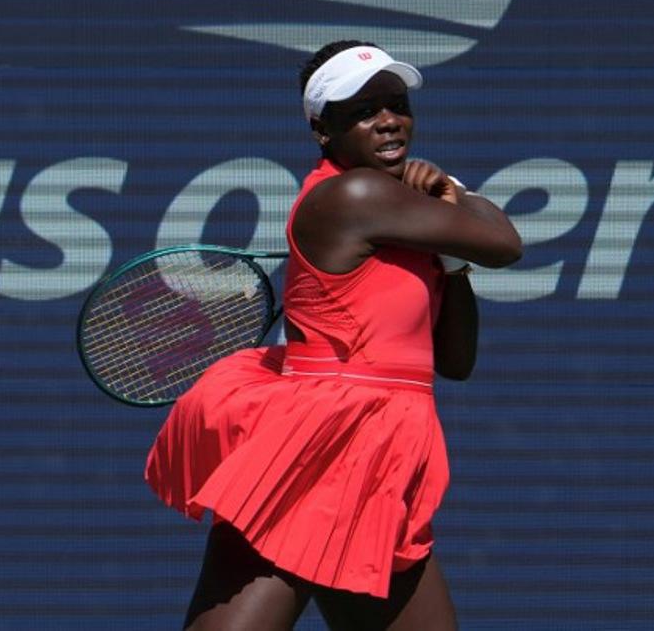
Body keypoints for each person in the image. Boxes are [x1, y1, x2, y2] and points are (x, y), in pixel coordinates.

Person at [145, 40, 522, 630]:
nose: (389, 121)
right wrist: (454, 190)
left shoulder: (406, 220)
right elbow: (505, 243)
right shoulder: (356, 195)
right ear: (324, 130)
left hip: (382, 455)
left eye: (397, 104)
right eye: (364, 111)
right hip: (318, 445)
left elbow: (454, 361)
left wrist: (450, 257)